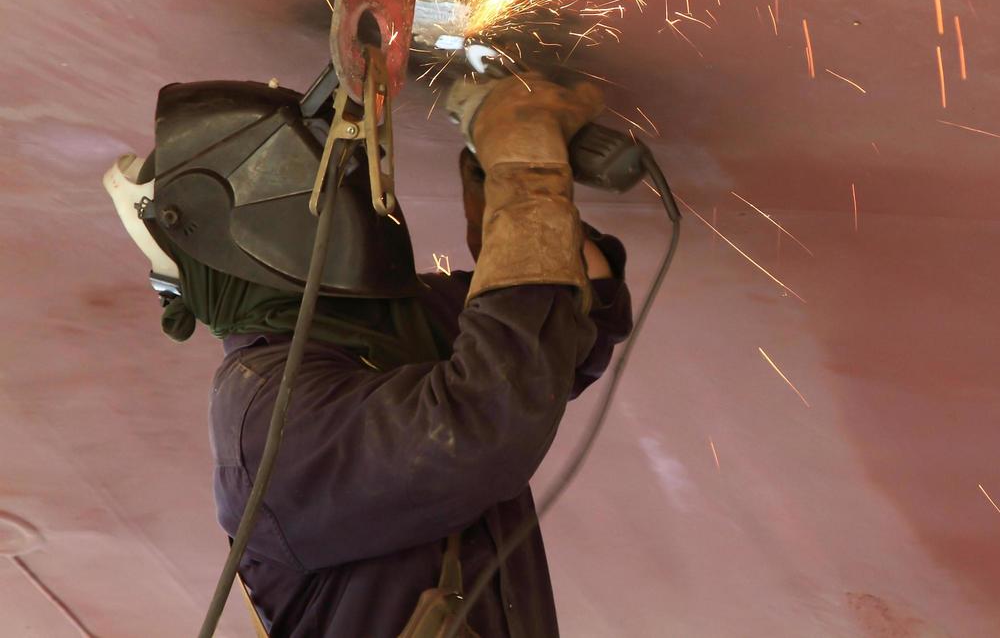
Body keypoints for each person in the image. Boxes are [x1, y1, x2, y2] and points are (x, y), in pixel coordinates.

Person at [103, 70, 632, 637]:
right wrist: (525, 170)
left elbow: (570, 317)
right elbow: (482, 426)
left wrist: (508, 171)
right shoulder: (266, 417)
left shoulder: (388, 327)